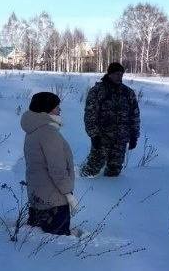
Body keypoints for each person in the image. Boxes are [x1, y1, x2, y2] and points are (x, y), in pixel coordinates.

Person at [21, 92, 77, 236]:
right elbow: (57, 169)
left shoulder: (33, 130)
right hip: (54, 201)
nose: (60, 110)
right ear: (47, 109)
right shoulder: (48, 133)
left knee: (37, 240)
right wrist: (68, 193)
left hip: (37, 197)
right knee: (56, 245)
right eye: (57, 107)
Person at [81, 62, 141, 178]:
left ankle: (112, 191)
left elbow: (135, 115)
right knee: (92, 168)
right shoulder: (97, 91)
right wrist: (94, 135)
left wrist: (134, 136)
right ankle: (82, 185)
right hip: (102, 137)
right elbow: (90, 115)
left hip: (121, 139)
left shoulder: (128, 93)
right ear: (109, 74)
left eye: (121, 74)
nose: (119, 77)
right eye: (116, 74)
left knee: (115, 169)